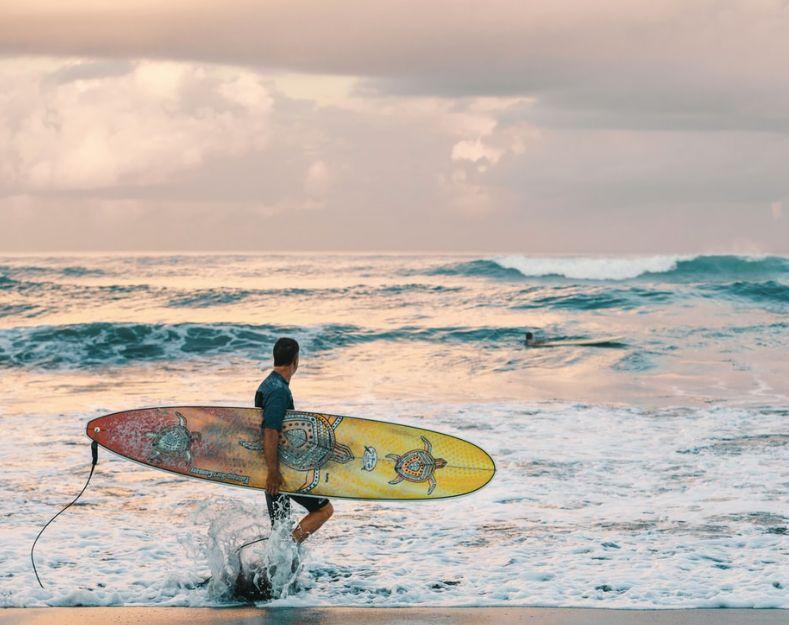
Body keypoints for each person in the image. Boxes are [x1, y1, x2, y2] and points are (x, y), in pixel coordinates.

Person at [255, 337, 334, 543]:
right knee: (324, 509)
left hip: (274, 468)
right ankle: (288, 549)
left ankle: (275, 566)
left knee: (281, 527)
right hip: (280, 471)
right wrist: (274, 472)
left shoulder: (269, 384)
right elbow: (270, 430)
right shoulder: (279, 391)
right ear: (295, 361)